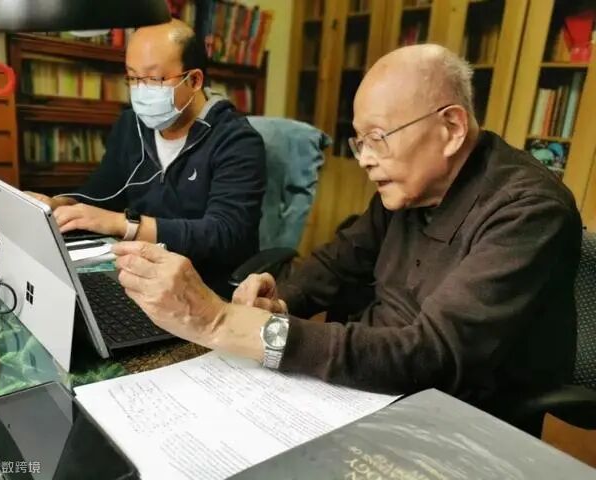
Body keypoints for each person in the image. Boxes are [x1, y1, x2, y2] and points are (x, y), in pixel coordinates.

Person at [110, 44, 582, 415]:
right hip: (369, 384)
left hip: (453, 410)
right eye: (360, 141)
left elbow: (432, 355)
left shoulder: (529, 209)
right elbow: (336, 264)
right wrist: (280, 301)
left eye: (378, 138)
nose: (365, 159)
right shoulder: (409, 187)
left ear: (452, 127)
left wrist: (223, 322)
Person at [27, 20, 266, 292]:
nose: (141, 90)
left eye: (154, 79)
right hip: (137, 274)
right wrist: (59, 205)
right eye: (133, 77)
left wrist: (124, 225)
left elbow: (224, 234)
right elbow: (102, 193)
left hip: (205, 289)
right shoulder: (131, 125)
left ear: (194, 80)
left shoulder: (236, 140)